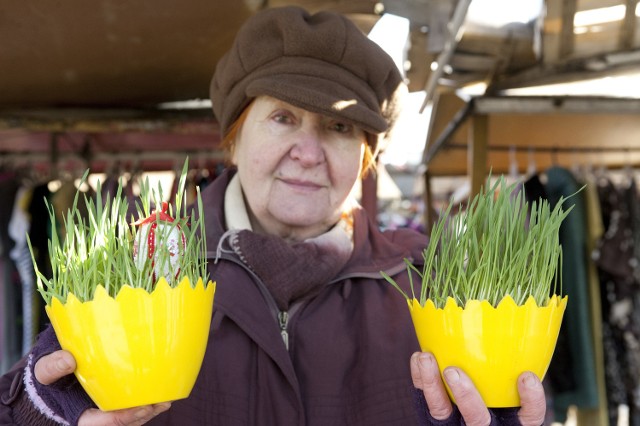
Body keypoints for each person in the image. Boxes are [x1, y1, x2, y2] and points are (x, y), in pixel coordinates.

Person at [0, 6, 546, 425]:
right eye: (283, 117)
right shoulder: (133, 269)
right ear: (234, 141)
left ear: (367, 159)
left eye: (338, 128)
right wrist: (36, 407)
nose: (308, 152)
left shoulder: (433, 285)